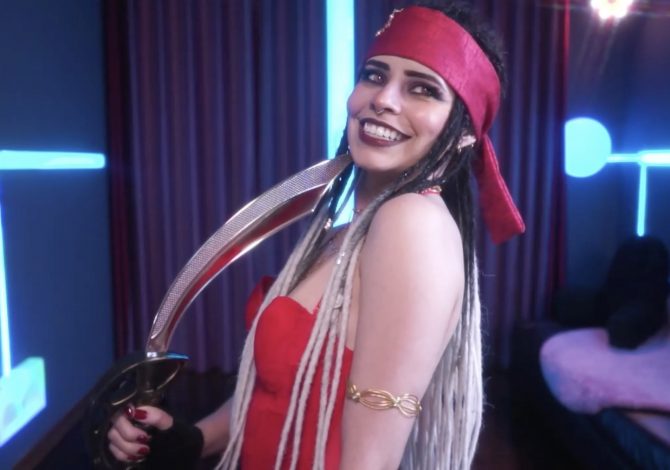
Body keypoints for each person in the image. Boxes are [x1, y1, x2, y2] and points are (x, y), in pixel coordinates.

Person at [107, 1, 525, 468]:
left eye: (422, 89)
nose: (384, 99)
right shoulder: (347, 232)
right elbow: (284, 390)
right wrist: (193, 440)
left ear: (465, 133)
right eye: (374, 75)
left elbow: (370, 461)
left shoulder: (410, 222)